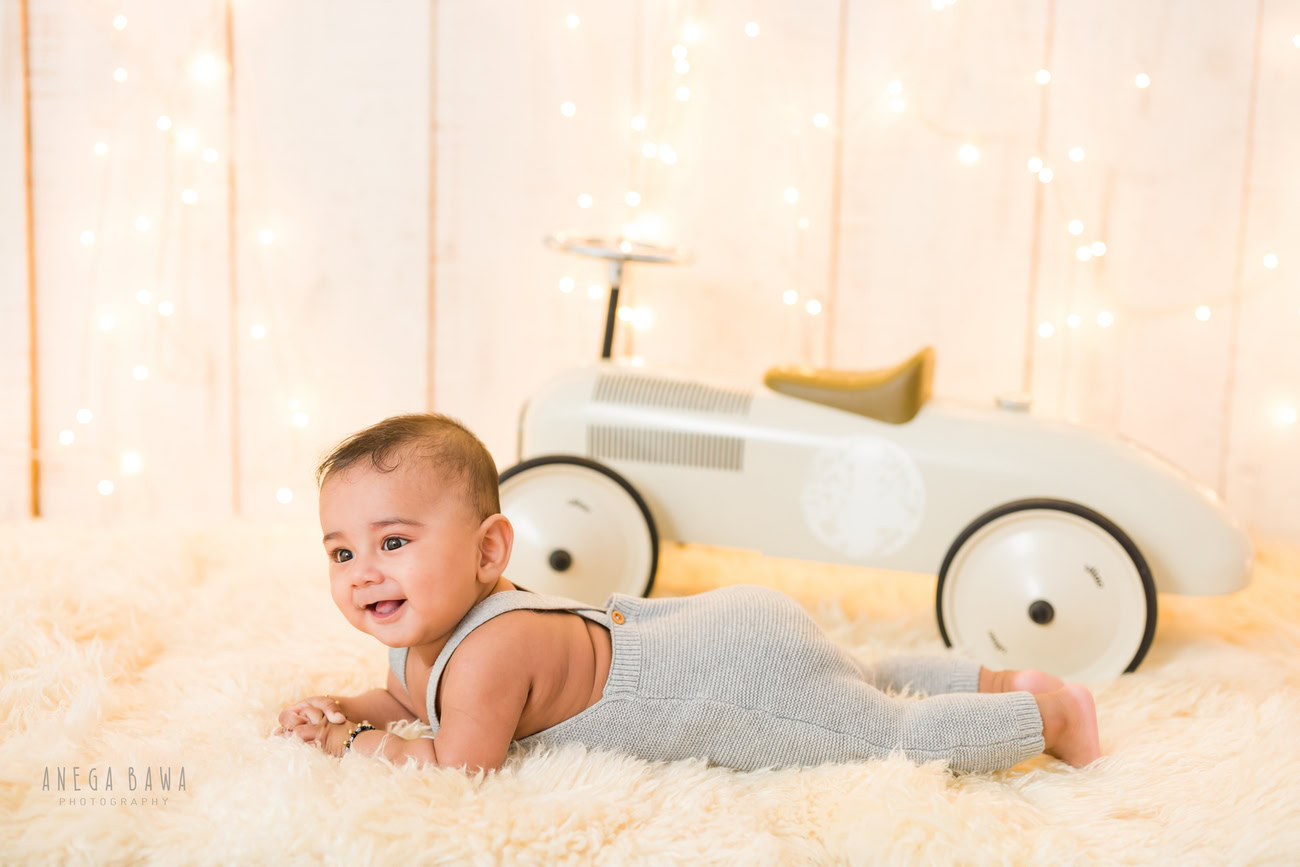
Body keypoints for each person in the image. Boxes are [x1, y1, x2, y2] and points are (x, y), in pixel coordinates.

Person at [274, 413, 1100, 774]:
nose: (363, 571)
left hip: (732, 677)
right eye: (341, 552)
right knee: (855, 669)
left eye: (392, 542)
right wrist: (345, 706)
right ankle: (999, 679)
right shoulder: (416, 636)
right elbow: (402, 694)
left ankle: (1050, 716)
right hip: (722, 626)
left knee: (884, 732)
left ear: (490, 550)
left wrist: (351, 748)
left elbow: (457, 764)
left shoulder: (491, 651)